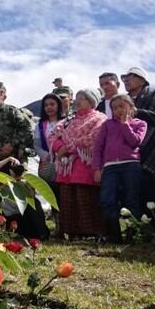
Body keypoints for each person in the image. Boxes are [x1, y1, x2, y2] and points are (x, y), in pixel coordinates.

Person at [52, 88, 107, 238]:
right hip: (66, 166)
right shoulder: (68, 120)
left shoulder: (99, 118)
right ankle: (70, 230)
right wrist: (59, 148)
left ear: (91, 101)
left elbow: (93, 138)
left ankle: (90, 231)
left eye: (81, 98)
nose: (77, 101)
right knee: (67, 196)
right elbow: (54, 135)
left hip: (85, 163)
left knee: (84, 196)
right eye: (77, 98)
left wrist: (67, 147)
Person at [93, 94, 147, 242]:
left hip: (131, 164)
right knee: (107, 199)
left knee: (132, 199)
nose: (118, 110)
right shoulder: (107, 125)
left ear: (131, 107)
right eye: (115, 108)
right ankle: (114, 235)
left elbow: (135, 142)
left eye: (122, 106)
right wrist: (97, 168)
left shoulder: (140, 124)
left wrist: (125, 124)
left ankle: (132, 234)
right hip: (110, 167)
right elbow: (98, 148)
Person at [122, 67, 155, 219]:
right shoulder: (123, 101)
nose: (126, 81)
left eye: (130, 77)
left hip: (154, 152)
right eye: (124, 78)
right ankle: (139, 229)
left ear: (142, 80)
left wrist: (139, 112)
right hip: (130, 154)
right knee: (134, 193)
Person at [34, 93, 63, 176]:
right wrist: (45, 156)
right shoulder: (39, 125)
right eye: (46, 105)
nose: (49, 107)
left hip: (64, 162)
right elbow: (36, 145)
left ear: (59, 105)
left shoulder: (67, 122)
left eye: (52, 104)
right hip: (46, 163)